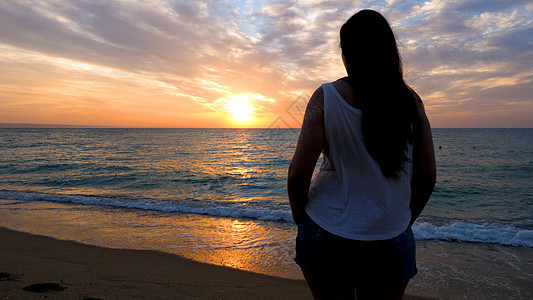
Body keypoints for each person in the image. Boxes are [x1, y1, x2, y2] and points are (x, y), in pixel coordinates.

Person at [287, 9, 436, 300]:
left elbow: (298, 174)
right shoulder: (411, 102)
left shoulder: (326, 96)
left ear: (348, 53)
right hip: (391, 237)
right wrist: (402, 220)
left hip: (326, 231)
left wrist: (300, 219)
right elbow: (427, 177)